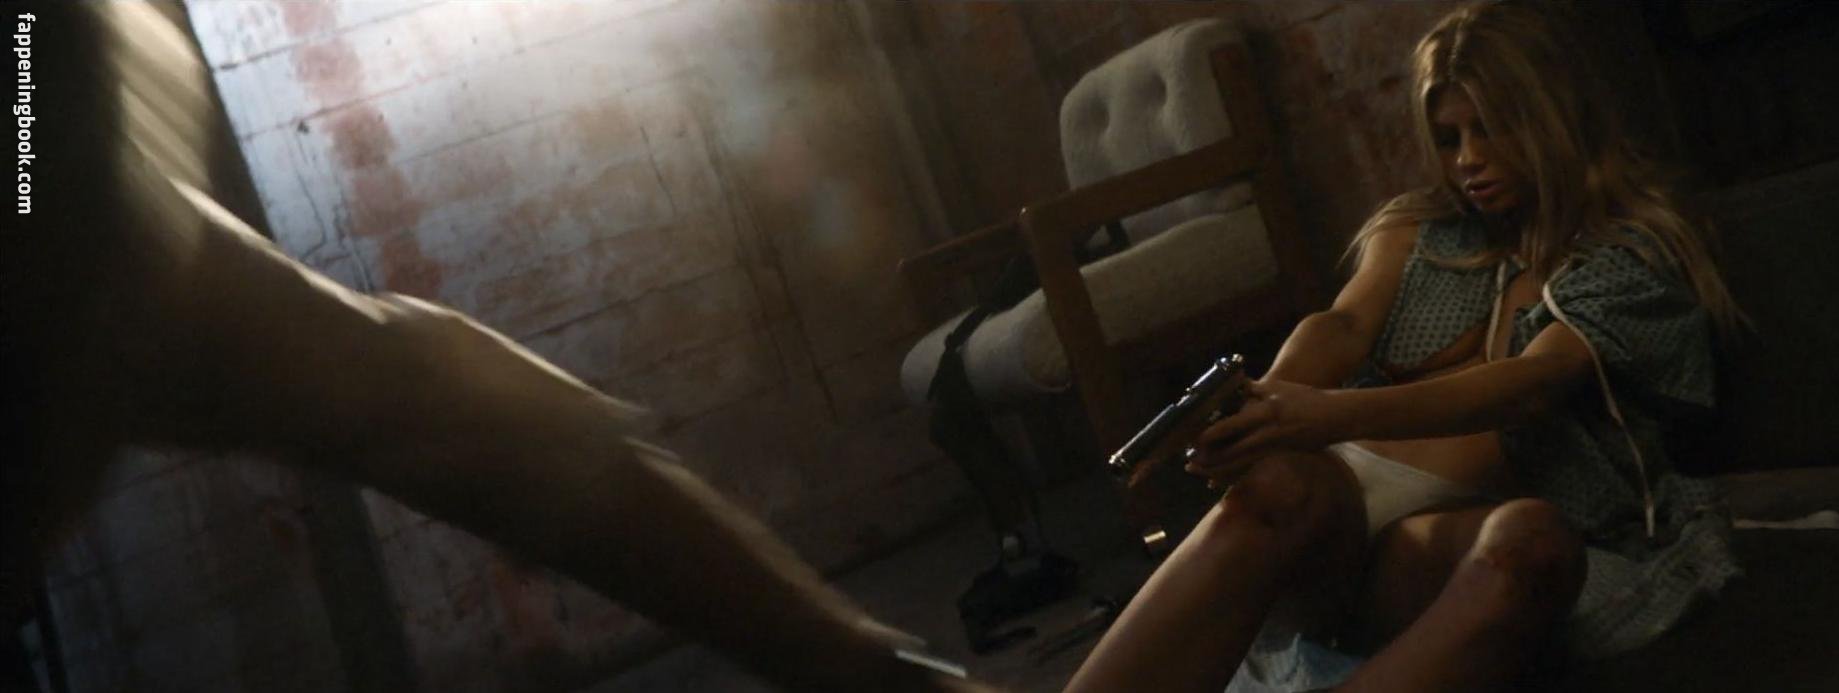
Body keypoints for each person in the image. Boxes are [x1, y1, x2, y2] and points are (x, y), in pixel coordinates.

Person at [0, 4, 984, 691]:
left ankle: (877, 674)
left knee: (446, 402)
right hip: (71, 207)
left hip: (74, 192)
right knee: (442, 402)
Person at [1065, 2, 1744, 691]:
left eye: (1492, 127)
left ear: (1555, 115)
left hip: (1438, 540)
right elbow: (1342, 325)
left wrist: (1324, 415)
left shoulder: (1625, 251)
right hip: (1332, 510)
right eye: (1449, 138)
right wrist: (1264, 403)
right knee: (1279, 486)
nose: (1469, 159)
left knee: (1532, 544)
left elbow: (1535, 381)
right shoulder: (1420, 230)